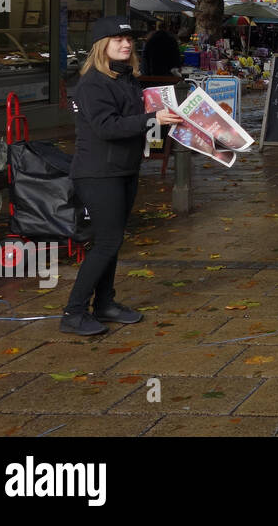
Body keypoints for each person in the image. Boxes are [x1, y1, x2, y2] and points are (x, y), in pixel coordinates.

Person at [62, 17, 184, 335]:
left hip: (125, 169)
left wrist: (163, 119)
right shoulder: (92, 83)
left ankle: (104, 304)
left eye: (128, 38)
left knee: (113, 243)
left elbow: (136, 120)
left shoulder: (127, 78)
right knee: (107, 241)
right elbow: (107, 127)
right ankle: (73, 312)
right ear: (102, 45)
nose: (126, 43)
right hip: (98, 173)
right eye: (117, 39)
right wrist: (151, 118)